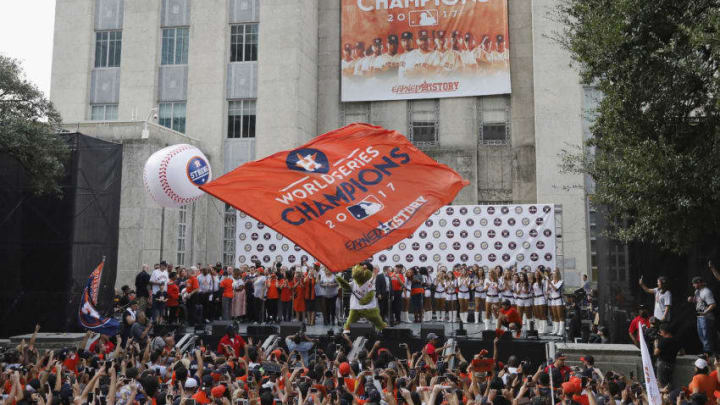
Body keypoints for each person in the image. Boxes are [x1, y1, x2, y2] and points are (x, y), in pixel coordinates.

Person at [689, 276, 717, 354]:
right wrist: (692, 299)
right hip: (699, 316)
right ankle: (706, 352)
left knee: (706, 336)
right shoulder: (697, 292)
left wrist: (705, 312)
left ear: (699, 283)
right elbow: (699, 301)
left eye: (694, 284)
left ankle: (709, 354)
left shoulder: (707, 291)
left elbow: (713, 304)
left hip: (706, 317)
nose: (693, 285)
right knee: (701, 335)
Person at [654, 323, 681, 389]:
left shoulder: (663, 341)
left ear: (663, 331)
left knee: (662, 385)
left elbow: (656, 353)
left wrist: (656, 344)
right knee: (670, 384)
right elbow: (682, 352)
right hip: (672, 364)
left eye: (660, 331)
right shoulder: (676, 340)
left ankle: (664, 398)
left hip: (663, 365)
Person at [547, 269, 565, 336]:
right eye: (553, 274)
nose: (553, 275)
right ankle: (555, 330)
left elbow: (556, 289)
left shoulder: (561, 282)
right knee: (554, 316)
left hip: (558, 300)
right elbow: (549, 291)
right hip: (552, 300)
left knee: (560, 315)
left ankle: (561, 331)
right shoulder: (551, 281)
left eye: (555, 274)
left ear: (557, 275)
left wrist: (550, 283)